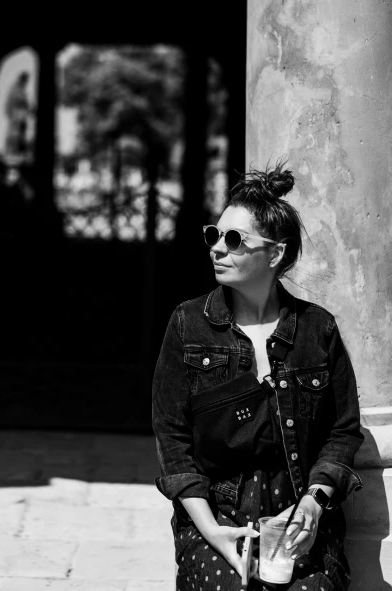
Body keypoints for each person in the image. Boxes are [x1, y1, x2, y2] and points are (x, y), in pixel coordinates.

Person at [152, 161, 363, 591]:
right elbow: (172, 441)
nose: (217, 248)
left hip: (297, 517)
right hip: (217, 515)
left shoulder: (317, 330)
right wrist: (211, 532)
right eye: (214, 234)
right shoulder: (188, 324)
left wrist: (314, 504)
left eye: (234, 239)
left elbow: (342, 433)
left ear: (275, 253)